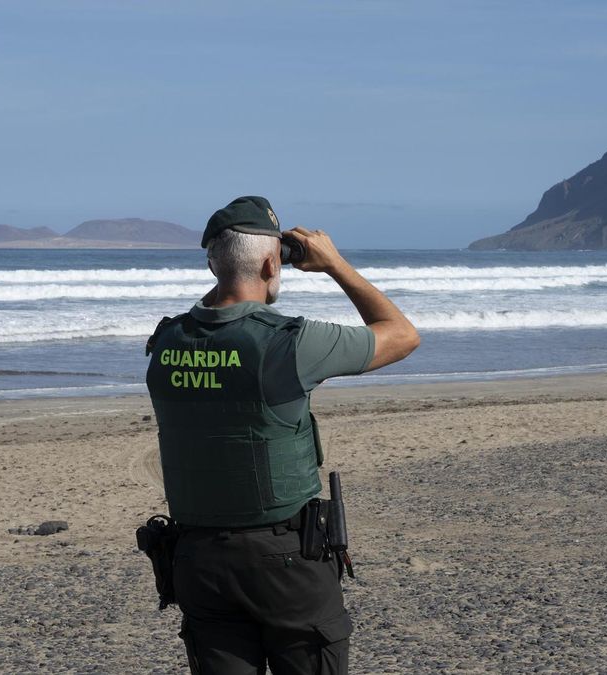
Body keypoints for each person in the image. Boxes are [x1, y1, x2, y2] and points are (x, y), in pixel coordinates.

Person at [144, 196, 419, 674]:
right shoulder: (290, 342)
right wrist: (335, 264)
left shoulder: (165, 342)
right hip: (286, 561)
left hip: (198, 562)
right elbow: (401, 334)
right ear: (273, 261)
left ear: (212, 260)